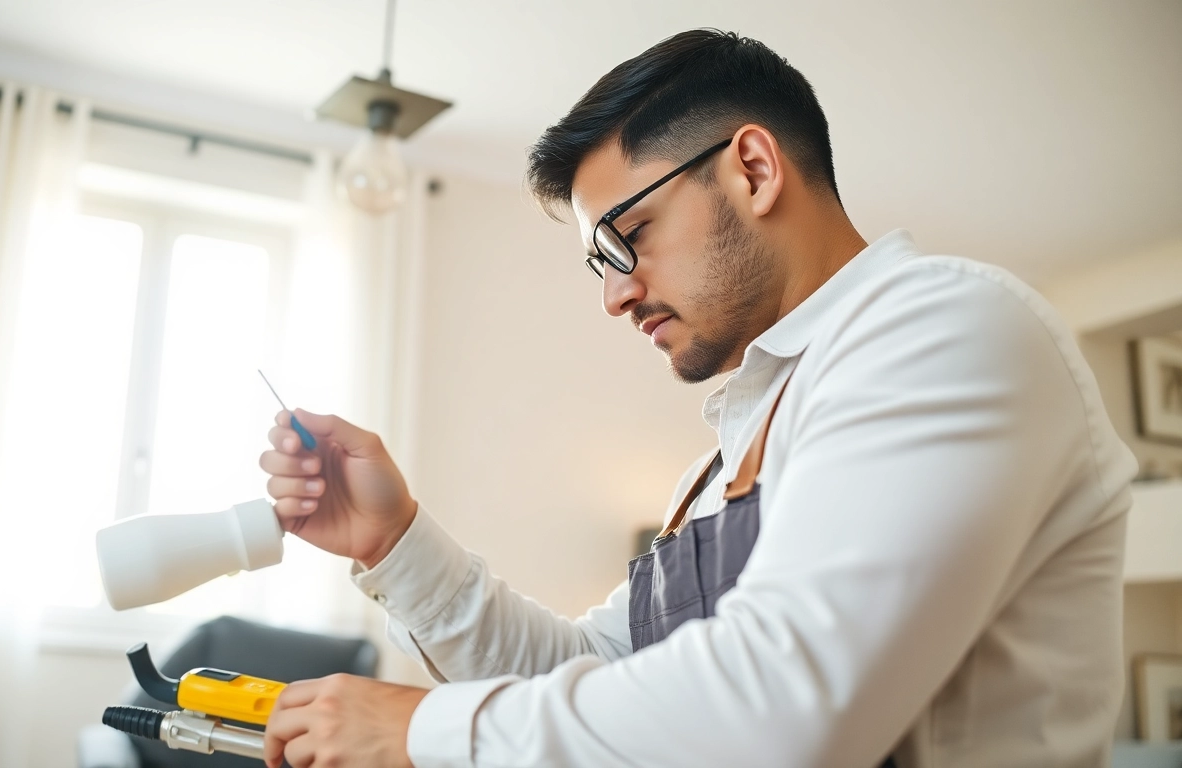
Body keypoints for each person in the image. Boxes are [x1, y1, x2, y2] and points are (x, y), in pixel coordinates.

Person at [256, 28, 1136, 768]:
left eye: (629, 236)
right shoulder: (723, 461)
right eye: (601, 262)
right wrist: (396, 541)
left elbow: (789, 702)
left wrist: (421, 730)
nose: (615, 294)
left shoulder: (946, 328)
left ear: (752, 169)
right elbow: (590, 669)